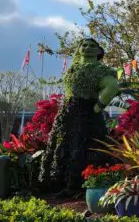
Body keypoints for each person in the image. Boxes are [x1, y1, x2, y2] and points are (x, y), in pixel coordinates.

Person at [39, 38, 119, 196]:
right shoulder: (74, 68)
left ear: (98, 51)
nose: (88, 48)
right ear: (79, 49)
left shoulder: (100, 70)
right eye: (84, 45)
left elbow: (112, 86)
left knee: (84, 146)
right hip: (68, 113)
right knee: (63, 144)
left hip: (87, 114)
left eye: (92, 46)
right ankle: (59, 182)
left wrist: (97, 106)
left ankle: (83, 184)